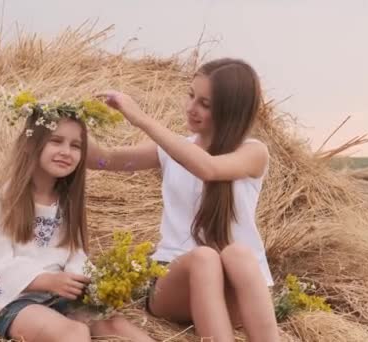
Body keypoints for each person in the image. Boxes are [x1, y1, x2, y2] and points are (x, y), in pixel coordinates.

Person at [89, 58, 280, 342]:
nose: (192, 108)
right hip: (175, 286)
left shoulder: (253, 153)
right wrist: (68, 121)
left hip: (234, 293)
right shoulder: (171, 150)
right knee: (205, 257)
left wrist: (141, 118)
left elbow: (208, 168)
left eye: (206, 103)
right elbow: (105, 160)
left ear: (231, 111)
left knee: (238, 253)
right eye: (191, 95)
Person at [0, 106, 154, 342]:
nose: (66, 152)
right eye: (56, 141)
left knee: (117, 326)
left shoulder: (67, 204)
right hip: (16, 299)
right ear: (32, 144)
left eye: (75, 146)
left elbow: (75, 256)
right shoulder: (5, 202)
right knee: (74, 333)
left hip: (62, 298)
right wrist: (47, 281)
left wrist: (98, 285)